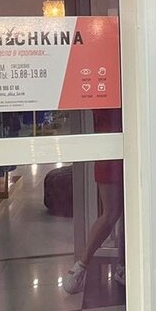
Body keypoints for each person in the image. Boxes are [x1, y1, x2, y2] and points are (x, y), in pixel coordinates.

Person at [63, 109, 124, 294]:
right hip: (109, 151)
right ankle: (82, 264)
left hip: (130, 147)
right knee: (111, 213)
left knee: (131, 212)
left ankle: (123, 265)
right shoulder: (104, 93)